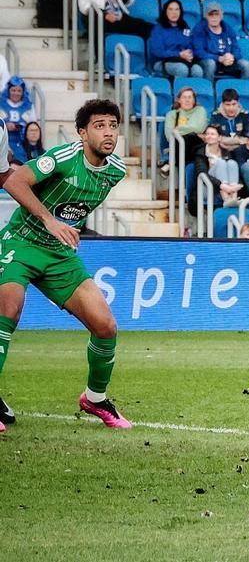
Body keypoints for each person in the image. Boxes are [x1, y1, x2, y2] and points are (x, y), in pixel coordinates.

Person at [0, 100, 135, 435]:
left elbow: (74, 206)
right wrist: (49, 220)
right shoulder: (63, 156)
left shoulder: (115, 170)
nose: (108, 132)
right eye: (99, 125)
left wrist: (64, 229)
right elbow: (15, 181)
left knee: (106, 326)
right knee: (9, 311)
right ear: (82, 132)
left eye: (113, 125)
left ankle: (95, 398)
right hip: (21, 241)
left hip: (59, 255)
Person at [192, 0, 249, 79]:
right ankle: (209, 90)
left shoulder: (227, 28)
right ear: (206, 16)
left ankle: (246, 90)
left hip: (227, 61)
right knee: (210, 64)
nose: (214, 17)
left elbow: (236, 48)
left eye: (217, 14)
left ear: (221, 15)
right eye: (211, 15)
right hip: (207, 61)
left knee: (246, 64)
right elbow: (199, 52)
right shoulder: (199, 29)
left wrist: (232, 57)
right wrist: (219, 58)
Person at [147, 0, 199, 77]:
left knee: (198, 70)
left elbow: (190, 44)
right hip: (162, 61)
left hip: (182, 60)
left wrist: (189, 54)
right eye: (170, 9)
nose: (174, 13)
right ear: (165, 11)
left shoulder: (184, 26)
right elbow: (157, 52)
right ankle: (180, 89)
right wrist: (178, 54)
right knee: (182, 69)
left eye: (177, 9)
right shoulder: (158, 28)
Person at [197, 124, 243, 205]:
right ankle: (227, 199)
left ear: (219, 137)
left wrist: (235, 186)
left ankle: (233, 199)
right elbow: (201, 174)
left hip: (229, 187)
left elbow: (233, 172)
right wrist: (223, 186)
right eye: (207, 134)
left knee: (232, 163)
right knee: (221, 162)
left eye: (212, 134)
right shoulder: (201, 153)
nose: (209, 136)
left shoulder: (225, 152)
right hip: (208, 187)